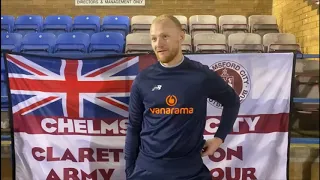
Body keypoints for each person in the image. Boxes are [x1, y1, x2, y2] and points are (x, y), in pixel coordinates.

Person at [124, 14, 240, 180]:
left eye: (165, 36)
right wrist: (130, 172)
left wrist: (219, 138)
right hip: (148, 170)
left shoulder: (201, 75)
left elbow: (232, 102)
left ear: (181, 36)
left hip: (190, 171)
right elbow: (134, 127)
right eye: (154, 38)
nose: (158, 44)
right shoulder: (143, 79)